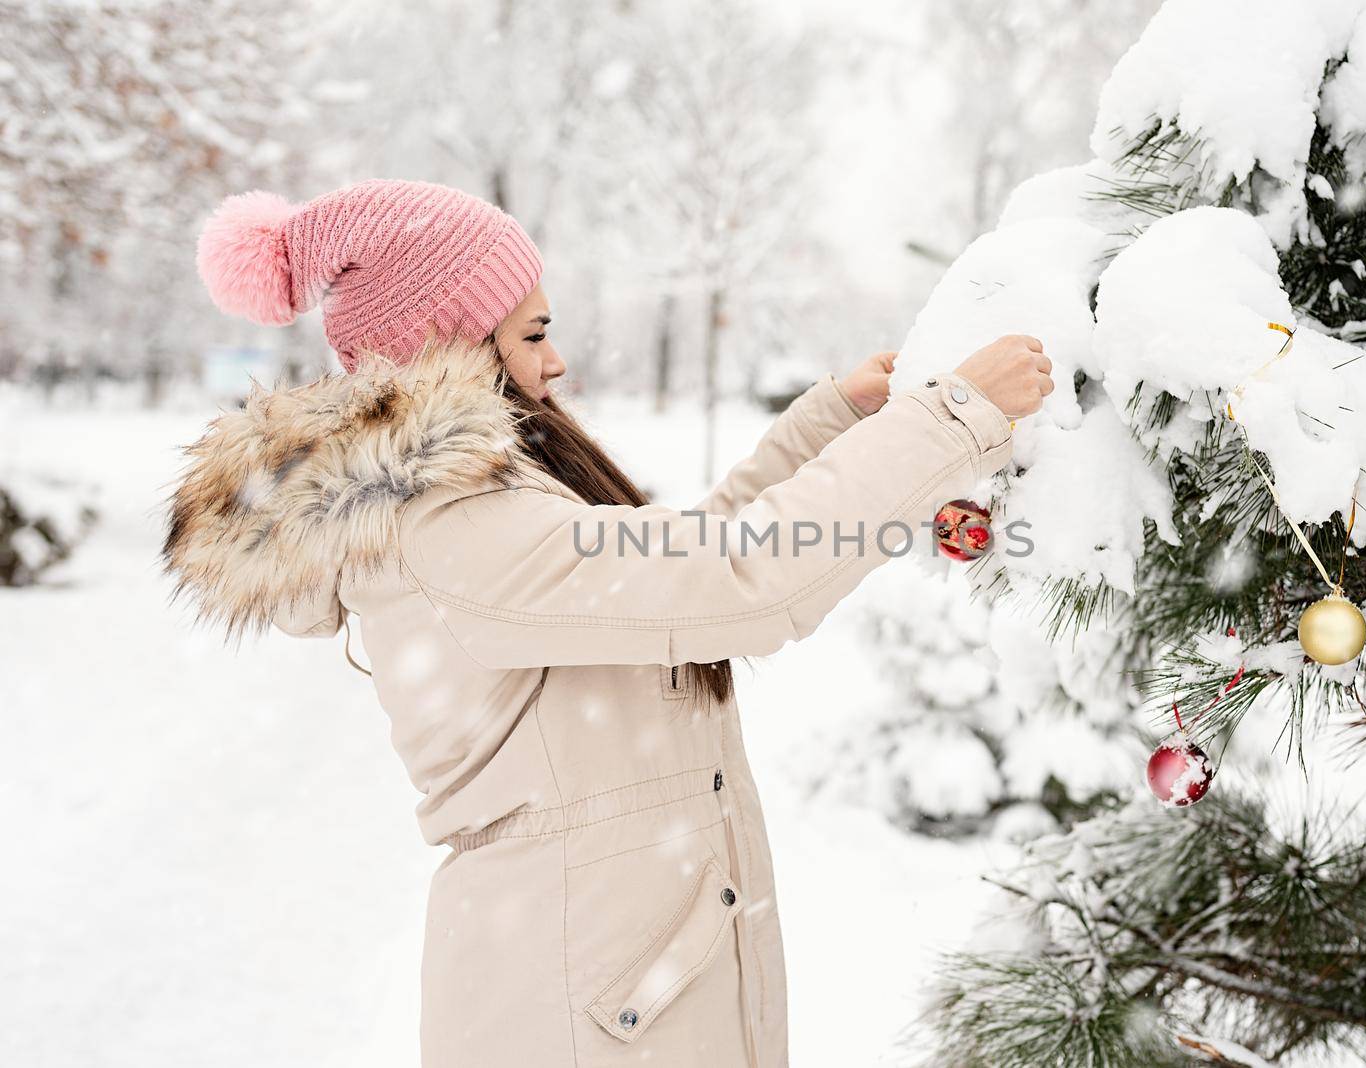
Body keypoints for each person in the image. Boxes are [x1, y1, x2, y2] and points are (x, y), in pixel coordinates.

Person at [166, 178, 1052, 1067]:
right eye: (533, 333)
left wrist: (834, 423)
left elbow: (674, 569)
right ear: (445, 341)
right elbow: (737, 582)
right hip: (579, 998)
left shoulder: (481, 496)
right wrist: (955, 419)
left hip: (614, 974)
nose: (555, 363)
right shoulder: (448, 519)